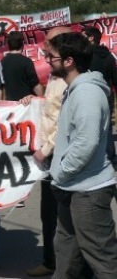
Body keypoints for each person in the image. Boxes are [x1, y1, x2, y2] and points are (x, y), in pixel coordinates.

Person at [47, 32, 117, 278]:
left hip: (88, 190)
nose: (47, 60)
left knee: (103, 260)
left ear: (69, 61)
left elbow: (86, 143)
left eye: (51, 57)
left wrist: (62, 172)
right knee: (67, 256)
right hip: (72, 186)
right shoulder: (74, 89)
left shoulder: (86, 93)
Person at [22, 26, 71, 277]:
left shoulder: (73, 78)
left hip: (60, 156)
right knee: (48, 214)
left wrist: (47, 148)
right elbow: (50, 109)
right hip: (49, 156)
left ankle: (69, 268)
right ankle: (50, 262)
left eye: (50, 44)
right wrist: (33, 102)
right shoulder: (54, 75)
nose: (45, 49)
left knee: (65, 218)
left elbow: (65, 120)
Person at [81, 26, 117, 166]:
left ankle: (92, 160)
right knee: (106, 129)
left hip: (87, 96)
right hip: (105, 97)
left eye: (83, 35)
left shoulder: (84, 56)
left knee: (88, 129)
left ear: (91, 38)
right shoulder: (108, 56)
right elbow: (115, 78)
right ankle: (111, 159)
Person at [1, 31, 44, 101]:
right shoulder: (26, 62)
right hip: (26, 105)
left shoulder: (2, 62)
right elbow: (35, 86)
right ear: (22, 44)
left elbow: (2, 88)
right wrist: (44, 99)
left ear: (8, 45)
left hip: (10, 106)